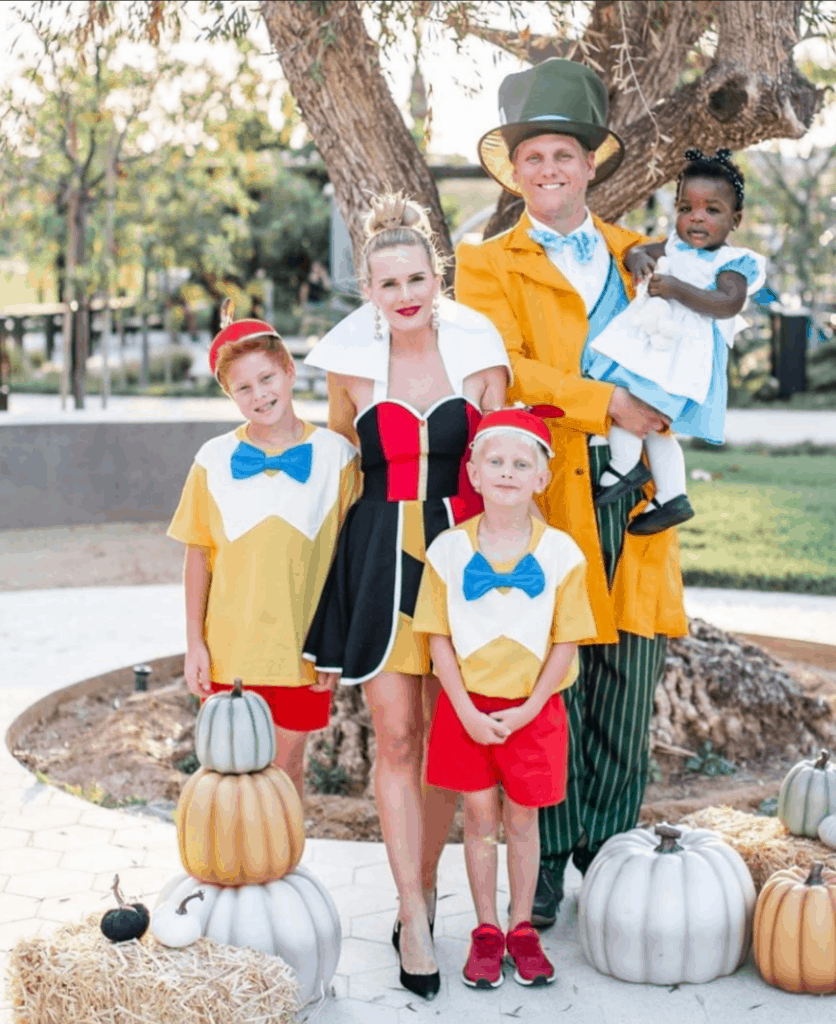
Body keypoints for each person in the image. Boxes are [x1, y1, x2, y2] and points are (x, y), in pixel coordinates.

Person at [455, 58, 688, 929]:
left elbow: (688, 343)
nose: (549, 171)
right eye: (533, 159)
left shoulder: (644, 257)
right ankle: (545, 859)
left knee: (627, 680)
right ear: (514, 173)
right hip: (548, 497)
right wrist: (609, 403)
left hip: (636, 496)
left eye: (564, 155)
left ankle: (615, 856)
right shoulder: (483, 265)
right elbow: (510, 369)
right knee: (553, 686)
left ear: (592, 164)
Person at [301, 194, 510, 999]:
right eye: (387, 284)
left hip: (462, 556)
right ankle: (413, 911)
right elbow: (342, 469)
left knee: (448, 743)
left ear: (437, 274)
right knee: (397, 737)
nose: (405, 295)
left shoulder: (481, 353)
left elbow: (505, 459)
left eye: (417, 278)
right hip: (379, 553)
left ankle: (422, 888)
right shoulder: (351, 366)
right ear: (369, 290)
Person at [413, 407, 596, 990]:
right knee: (478, 820)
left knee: (522, 820)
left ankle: (522, 927)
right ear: (473, 471)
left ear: (542, 478)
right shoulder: (446, 550)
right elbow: (437, 638)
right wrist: (464, 708)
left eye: (523, 463)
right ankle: (486, 929)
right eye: (496, 461)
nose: (508, 472)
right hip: (465, 709)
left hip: (533, 710)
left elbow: (566, 644)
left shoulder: (562, 554)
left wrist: (528, 707)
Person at [168, 307, 358, 798]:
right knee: (233, 780)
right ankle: (238, 872)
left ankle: (281, 869)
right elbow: (197, 558)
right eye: (243, 389)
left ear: (289, 371)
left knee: (285, 772)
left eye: (267, 378)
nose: (260, 395)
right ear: (229, 396)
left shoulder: (337, 457)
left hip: (302, 650)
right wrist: (195, 643)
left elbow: (347, 565)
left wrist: (334, 646)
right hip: (230, 651)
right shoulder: (212, 460)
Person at [586, 147, 768, 533]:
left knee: (630, 408)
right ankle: (672, 495)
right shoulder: (674, 246)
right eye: (686, 208)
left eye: (712, 210)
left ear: (735, 220)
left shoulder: (730, 263)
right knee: (652, 423)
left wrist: (677, 289)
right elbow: (636, 251)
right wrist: (637, 259)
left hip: (682, 358)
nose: (696, 217)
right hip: (657, 350)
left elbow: (728, 303)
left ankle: (622, 469)